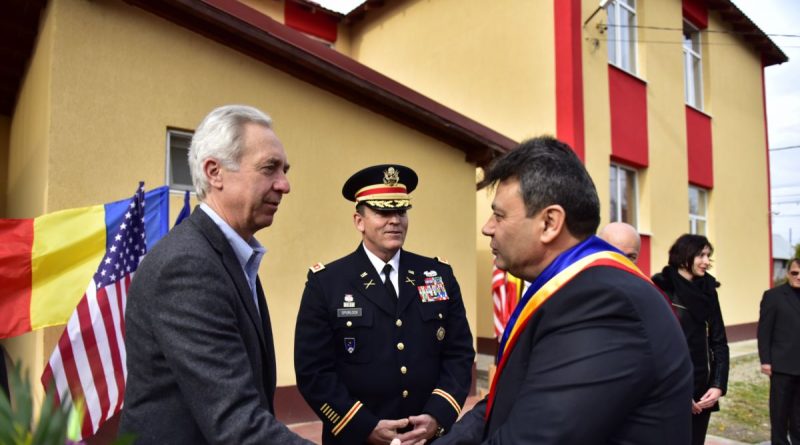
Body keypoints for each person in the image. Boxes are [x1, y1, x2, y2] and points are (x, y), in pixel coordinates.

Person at [438, 136, 692, 444]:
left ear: (549, 223)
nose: (487, 227)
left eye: (500, 215)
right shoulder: (577, 289)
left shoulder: (603, 304)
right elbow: (506, 402)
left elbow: (534, 437)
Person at [120, 105, 313, 444]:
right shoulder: (188, 266)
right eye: (269, 168)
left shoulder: (230, 255)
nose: (285, 185)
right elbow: (236, 423)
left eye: (284, 170)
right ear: (215, 172)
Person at [294, 164, 475, 445]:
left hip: (426, 438)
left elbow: (459, 354)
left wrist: (437, 417)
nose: (395, 221)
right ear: (359, 221)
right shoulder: (327, 282)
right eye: (383, 212)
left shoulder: (437, 275)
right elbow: (313, 370)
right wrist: (364, 427)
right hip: (356, 439)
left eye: (401, 212)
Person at [652, 234, 729, 445]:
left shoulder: (708, 291)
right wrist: (679, 394)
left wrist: (718, 385)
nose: (707, 261)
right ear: (684, 255)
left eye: (708, 256)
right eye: (701, 255)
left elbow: (719, 342)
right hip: (669, 389)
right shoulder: (661, 289)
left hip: (702, 391)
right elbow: (655, 347)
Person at [758, 257, 800, 445]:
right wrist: (765, 360)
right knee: (780, 414)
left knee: (798, 416)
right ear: (788, 273)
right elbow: (764, 331)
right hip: (781, 366)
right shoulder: (773, 296)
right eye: (795, 273)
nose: (799, 277)